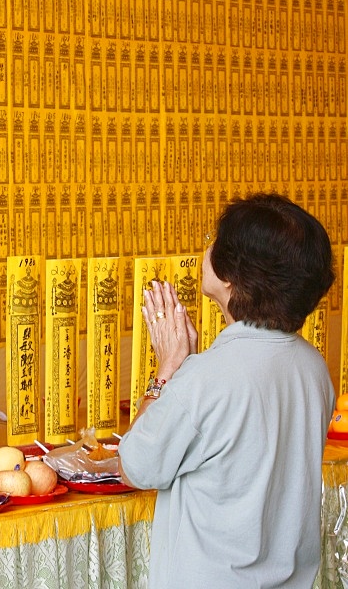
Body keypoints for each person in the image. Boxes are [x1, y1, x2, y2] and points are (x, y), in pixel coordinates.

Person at [118, 192, 335, 589]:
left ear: (233, 274)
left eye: (213, 241)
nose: (207, 248)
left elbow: (135, 467)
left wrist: (168, 367)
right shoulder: (313, 366)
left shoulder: (205, 378)